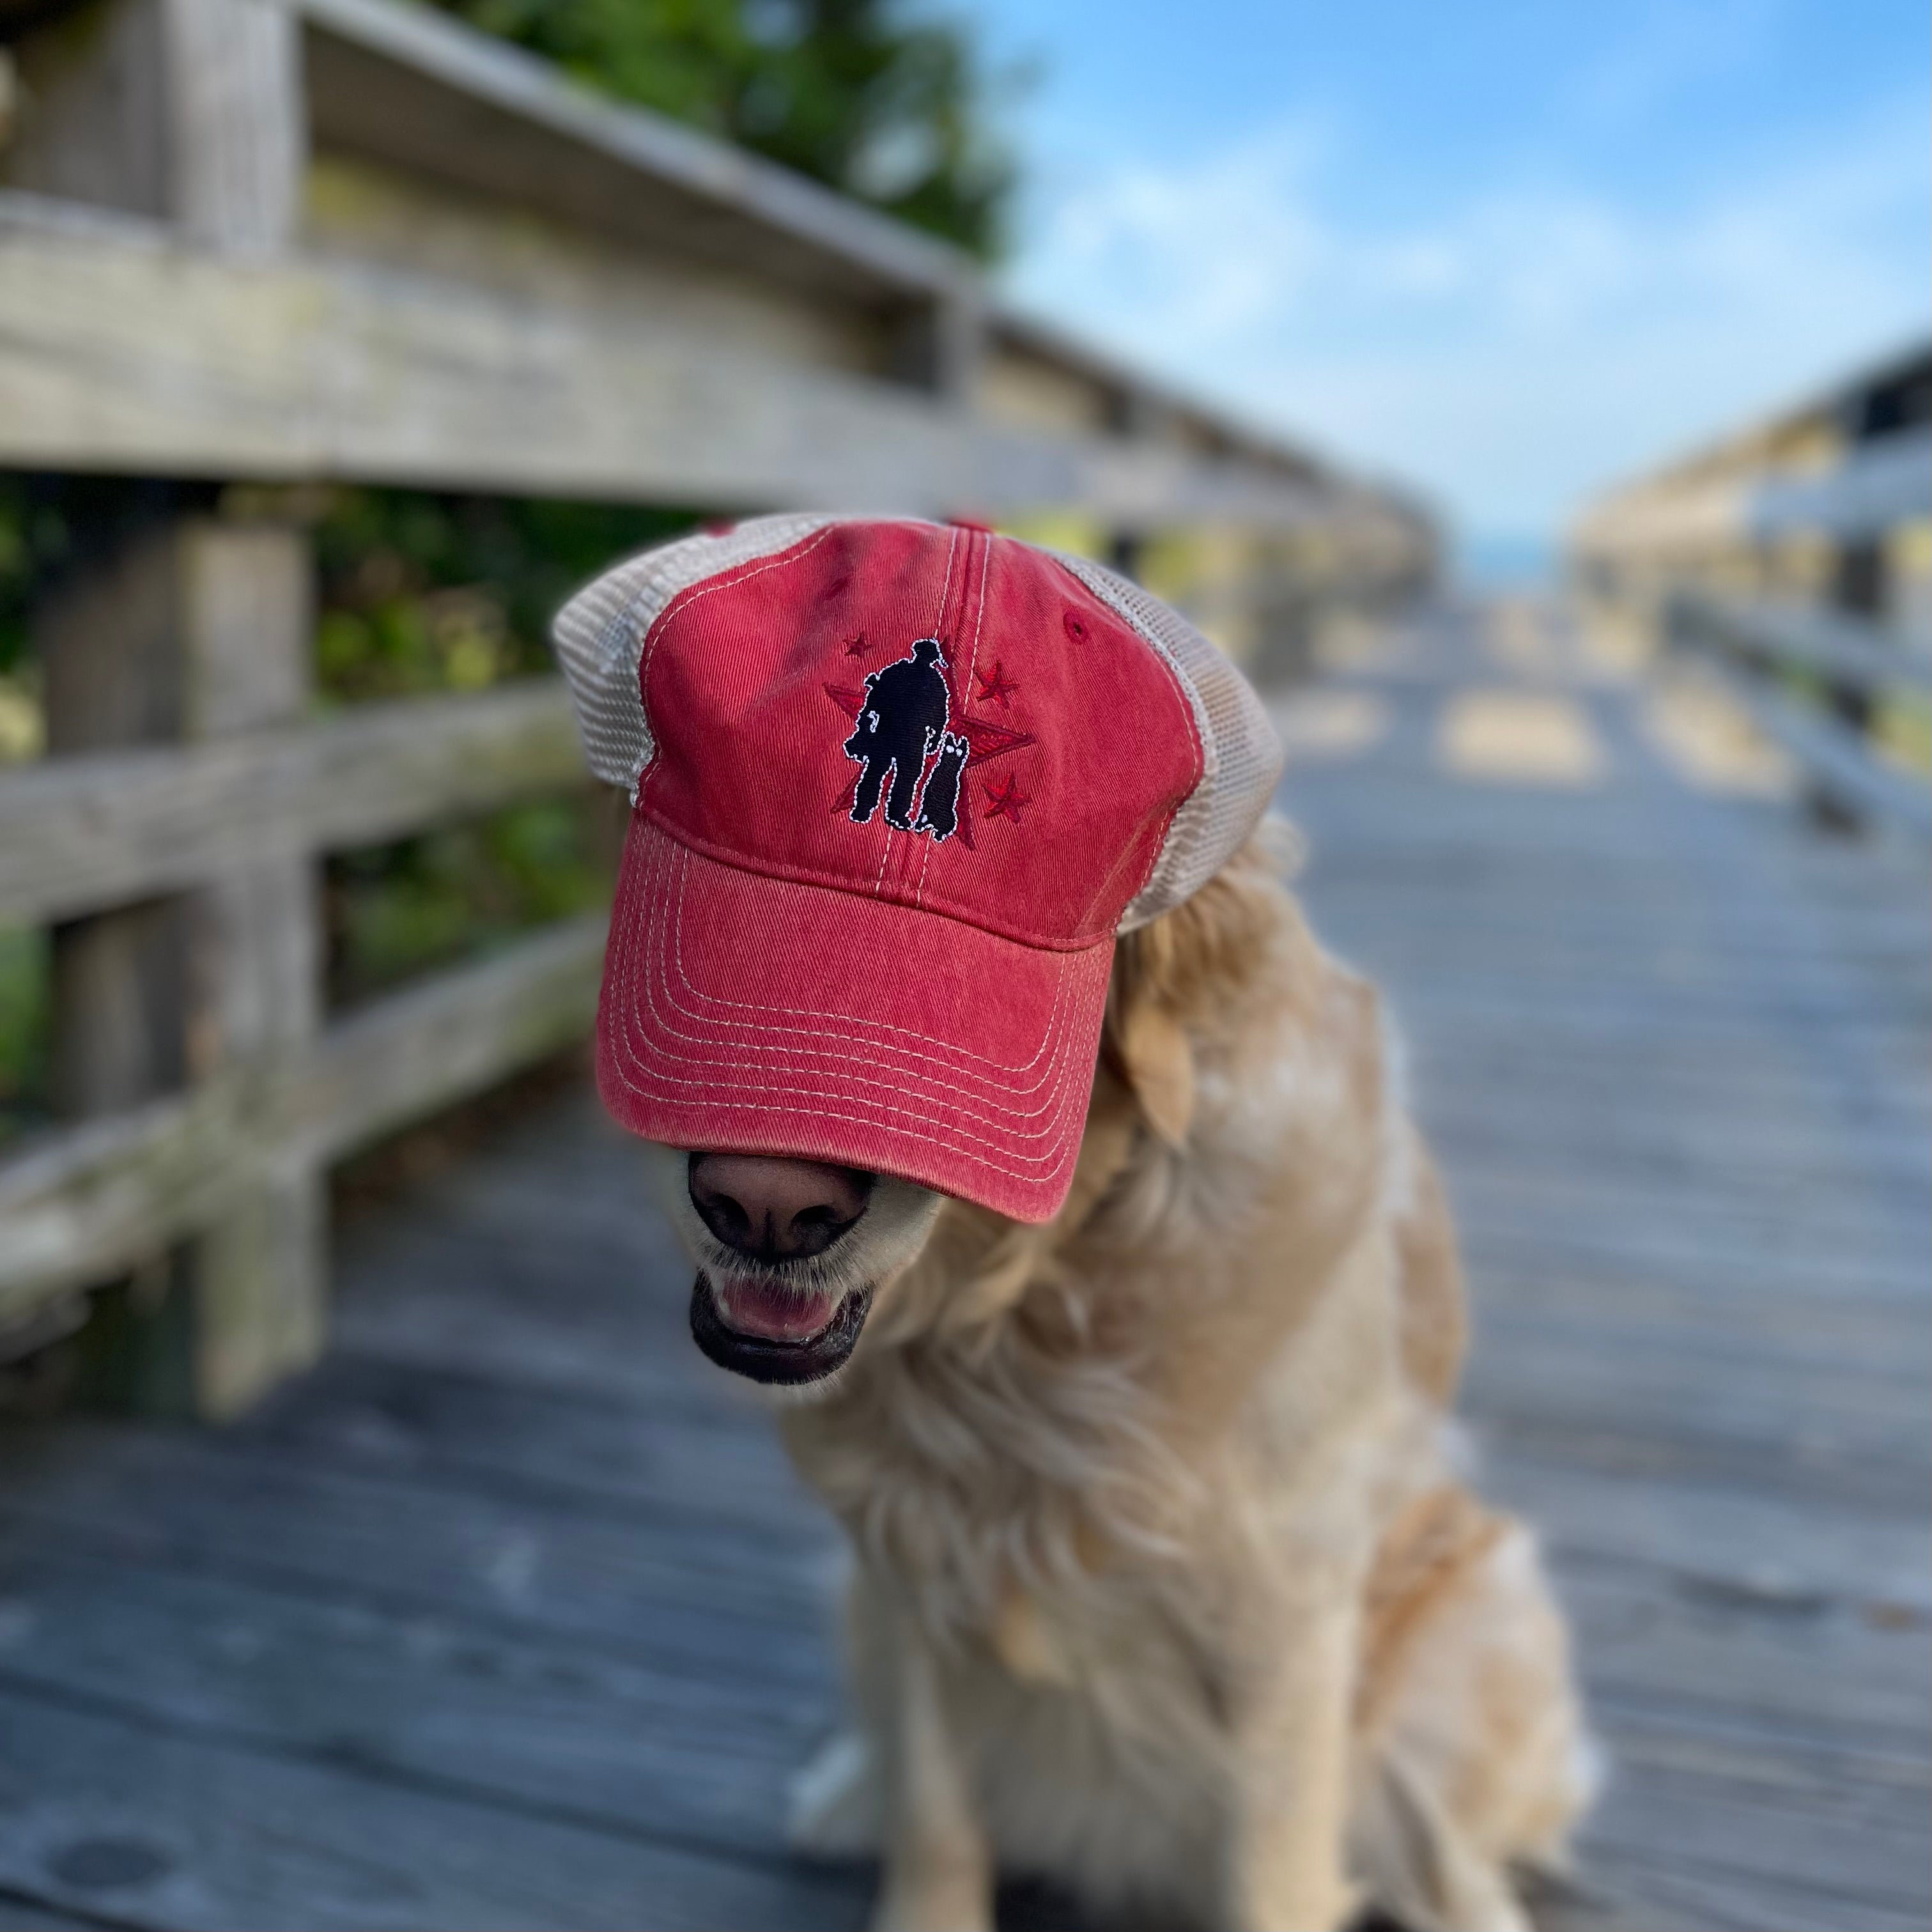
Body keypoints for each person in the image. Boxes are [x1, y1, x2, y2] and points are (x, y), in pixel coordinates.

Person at [845, 637, 950, 829]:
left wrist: (868, 721)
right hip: (907, 736)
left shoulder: (899, 672)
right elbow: (939, 715)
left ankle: (866, 810)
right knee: (901, 777)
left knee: (881, 773)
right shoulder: (934, 681)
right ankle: (892, 814)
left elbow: (875, 697)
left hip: (893, 733)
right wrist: (934, 738)